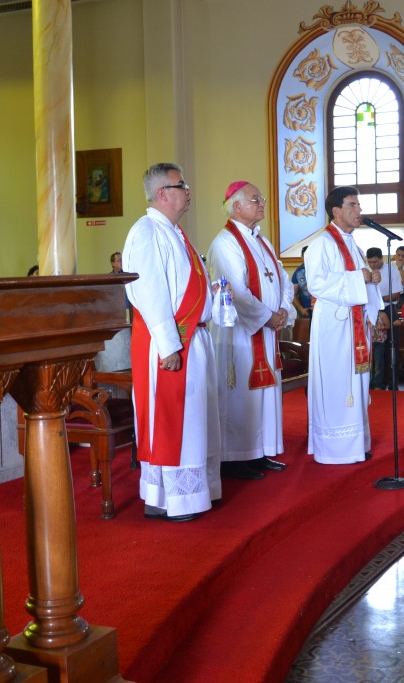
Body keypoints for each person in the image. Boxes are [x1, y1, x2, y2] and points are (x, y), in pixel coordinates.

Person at [122, 162, 221, 521]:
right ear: (162, 193)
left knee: (194, 419)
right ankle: (171, 500)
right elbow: (149, 292)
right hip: (170, 343)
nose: (188, 191)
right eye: (182, 185)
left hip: (192, 338)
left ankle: (193, 492)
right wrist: (169, 345)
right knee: (174, 420)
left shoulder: (175, 232)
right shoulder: (146, 231)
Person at [207, 181, 295, 481]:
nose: (262, 204)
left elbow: (283, 277)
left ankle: (259, 450)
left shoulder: (261, 240)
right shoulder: (224, 242)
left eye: (262, 198)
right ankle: (233, 457)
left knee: (264, 395)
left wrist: (283, 310)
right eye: (255, 199)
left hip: (267, 330)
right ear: (236, 207)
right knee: (240, 395)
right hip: (239, 335)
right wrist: (267, 316)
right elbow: (237, 291)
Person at [304, 186, 387, 465]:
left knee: (357, 383)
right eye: (353, 205)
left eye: (359, 205)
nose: (359, 210)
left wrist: (377, 307)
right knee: (338, 383)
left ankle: (355, 444)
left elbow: (361, 280)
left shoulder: (353, 244)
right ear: (336, 211)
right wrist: (361, 278)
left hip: (355, 325)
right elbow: (316, 284)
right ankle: (335, 448)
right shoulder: (321, 244)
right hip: (334, 327)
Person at [368, 246, 402, 390]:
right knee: (372, 349)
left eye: (375, 262)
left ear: (382, 258)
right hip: (370, 311)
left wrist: (377, 299)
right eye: (370, 262)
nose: (372, 265)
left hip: (387, 310)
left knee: (390, 348)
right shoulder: (365, 271)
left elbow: (396, 295)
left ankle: (391, 382)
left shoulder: (392, 270)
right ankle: (374, 382)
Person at [292, 245, 313, 318]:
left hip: (319, 310)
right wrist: (301, 309)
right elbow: (293, 294)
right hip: (304, 310)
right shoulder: (298, 272)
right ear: (302, 257)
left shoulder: (321, 270)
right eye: (305, 256)